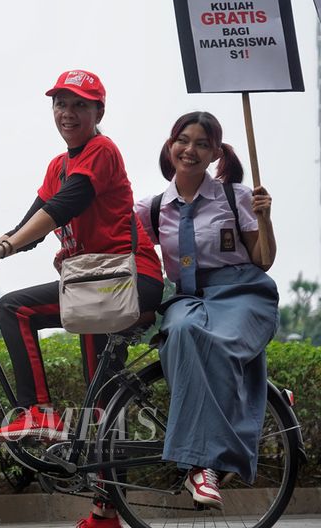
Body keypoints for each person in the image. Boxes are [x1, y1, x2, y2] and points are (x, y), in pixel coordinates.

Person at [0, 69, 164, 528]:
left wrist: (4, 246)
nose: (68, 113)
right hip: (92, 286)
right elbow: (34, 221)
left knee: (13, 307)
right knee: (102, 399)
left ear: (99, 112)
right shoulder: (58, 166)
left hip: (128, 280)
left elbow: (64, 206)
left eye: (80, 104)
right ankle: (106, 514)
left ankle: (37, 411)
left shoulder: (102, 151)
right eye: (60, 103)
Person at [132, 111, 278, 512]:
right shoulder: (152, 208)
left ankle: (203, 468)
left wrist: (265, 219)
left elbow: (263, 259)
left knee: (210, 340)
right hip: (188, 298)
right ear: (170, 145)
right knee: (179, 333)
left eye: (201, 143)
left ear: (215, 151)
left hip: (241, 291)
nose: (190, 149)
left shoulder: (238, 196)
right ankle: (209, 458)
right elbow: (113, 236)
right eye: (183, 140)